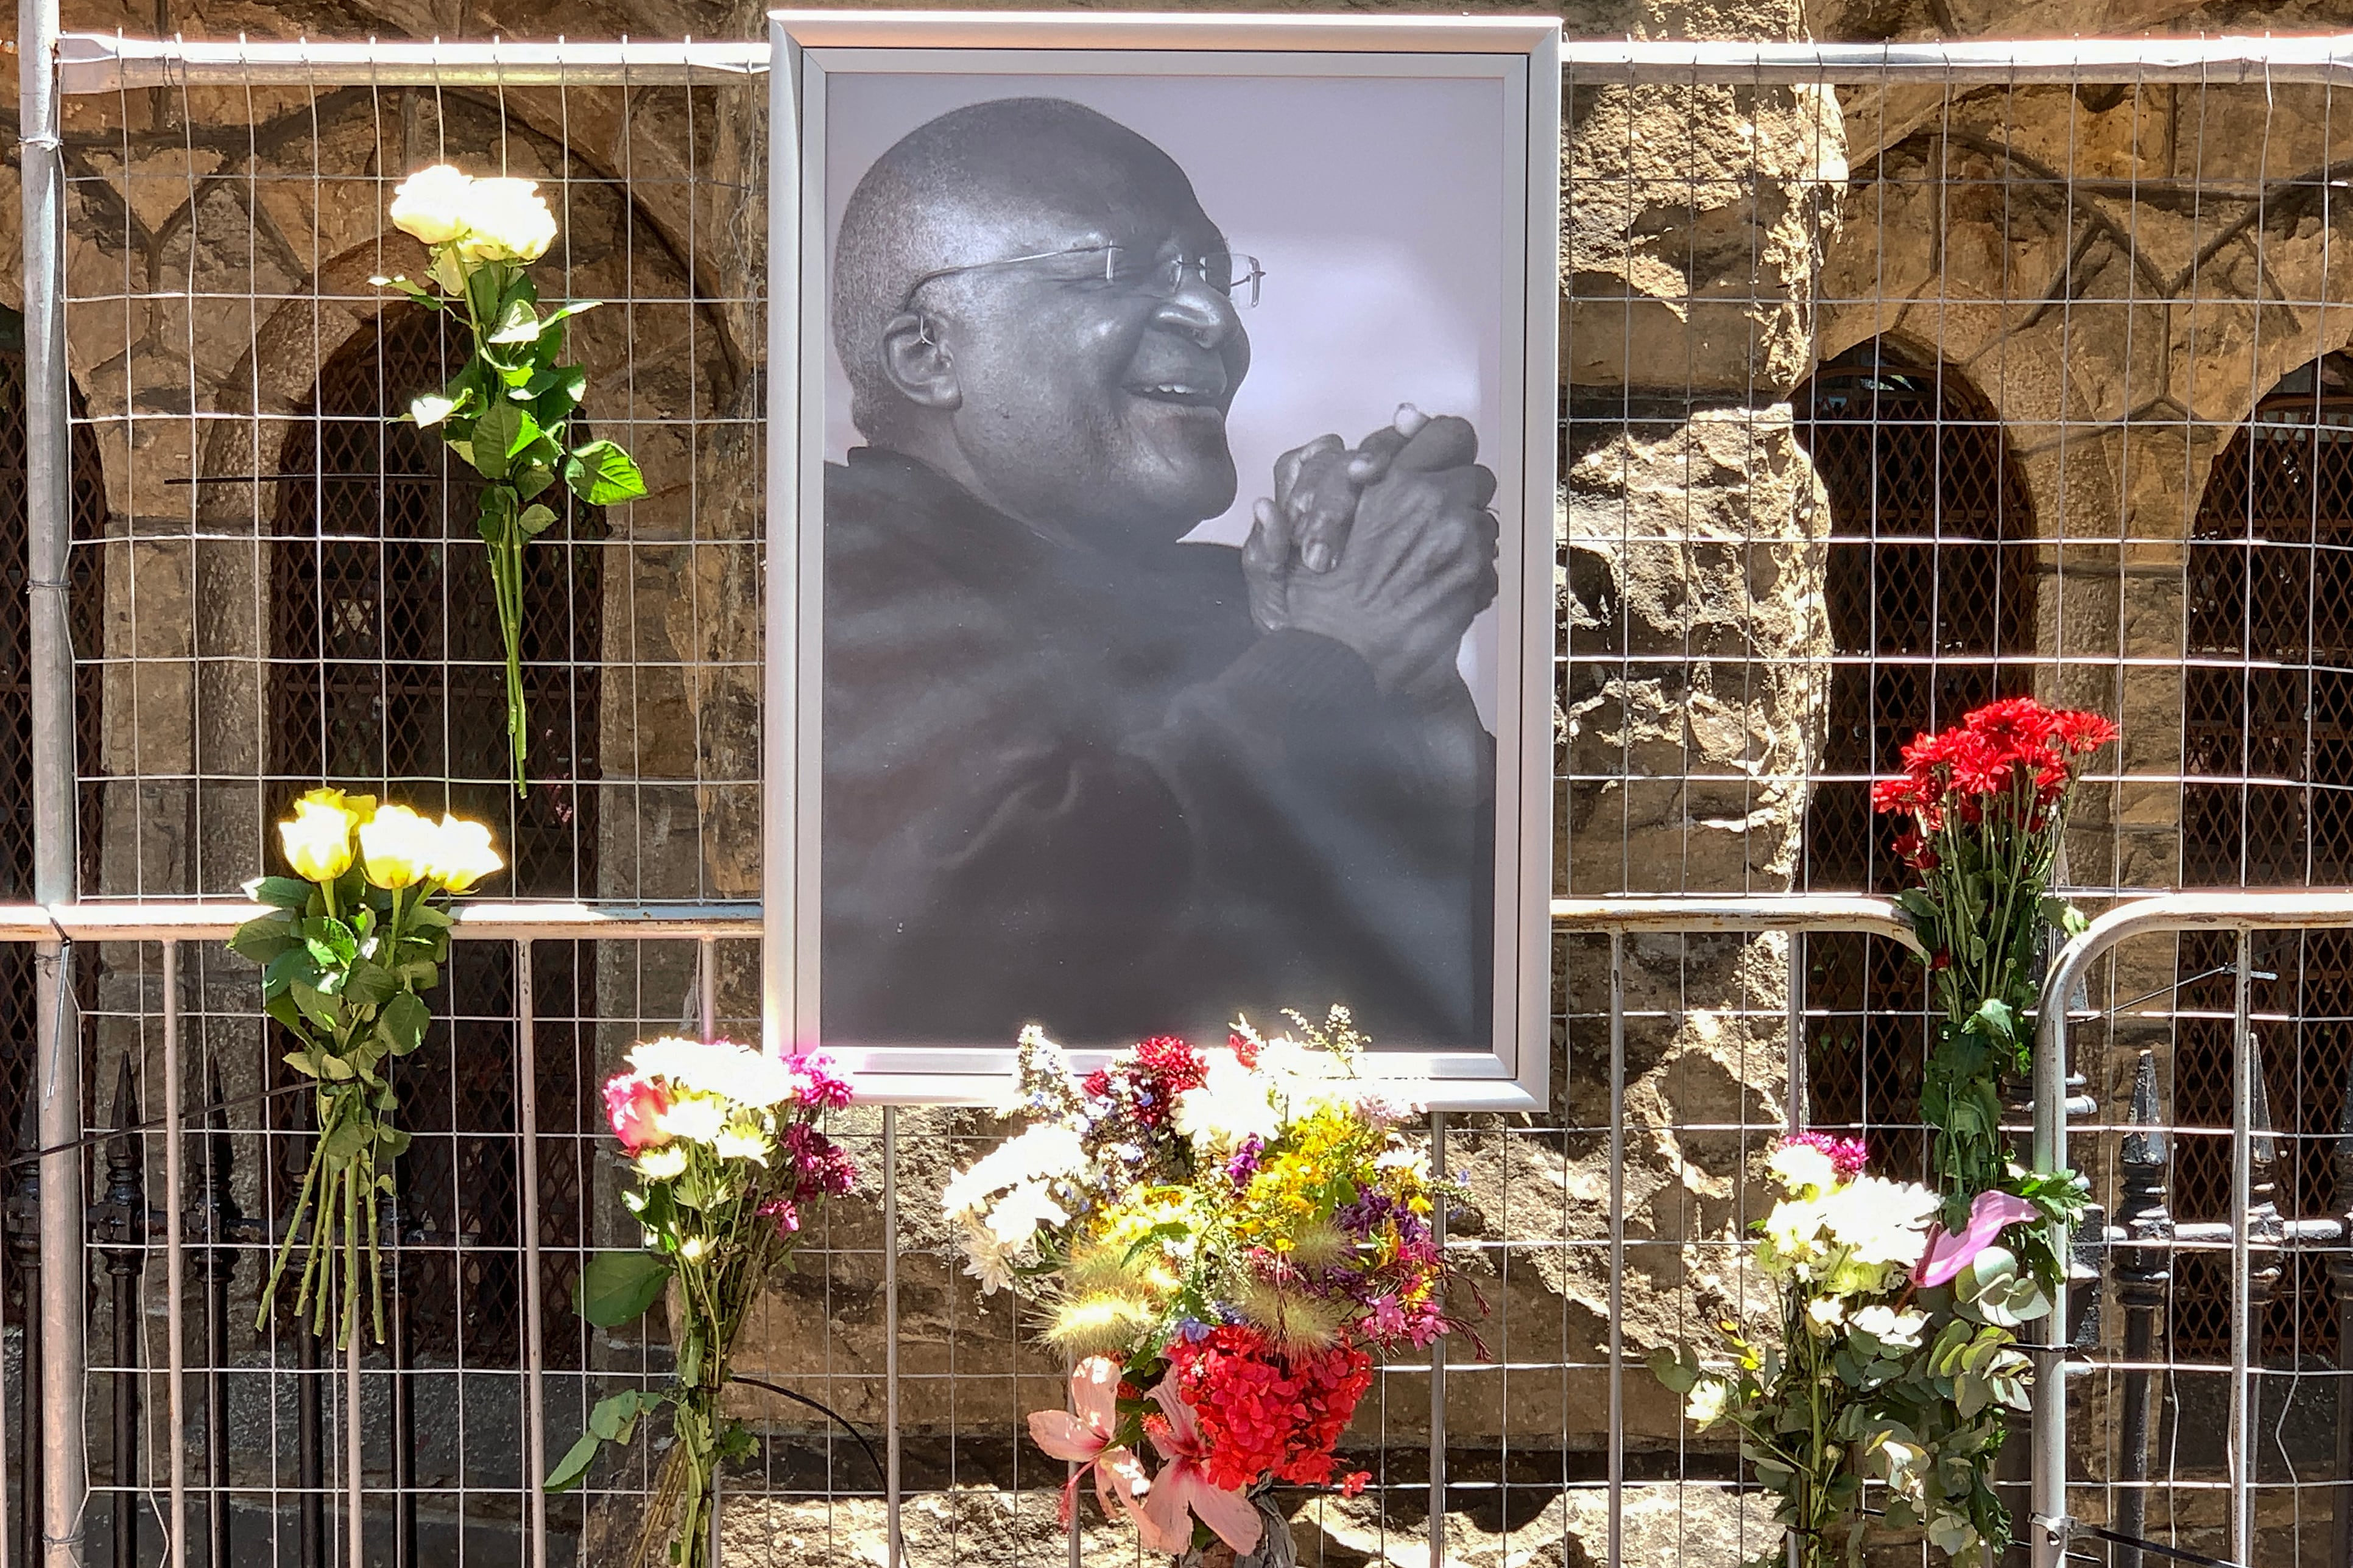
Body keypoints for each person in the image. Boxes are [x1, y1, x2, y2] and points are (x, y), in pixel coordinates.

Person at [823, 94, 1500, 1049]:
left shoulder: (1231, 603)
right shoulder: (830, 560)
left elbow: (1458, 1006)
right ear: (929, 354)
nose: (1211, 315)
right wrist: (1332, 654)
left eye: (1217, 275)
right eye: (1116, 270)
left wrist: (1416, 697)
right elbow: (977, 948)